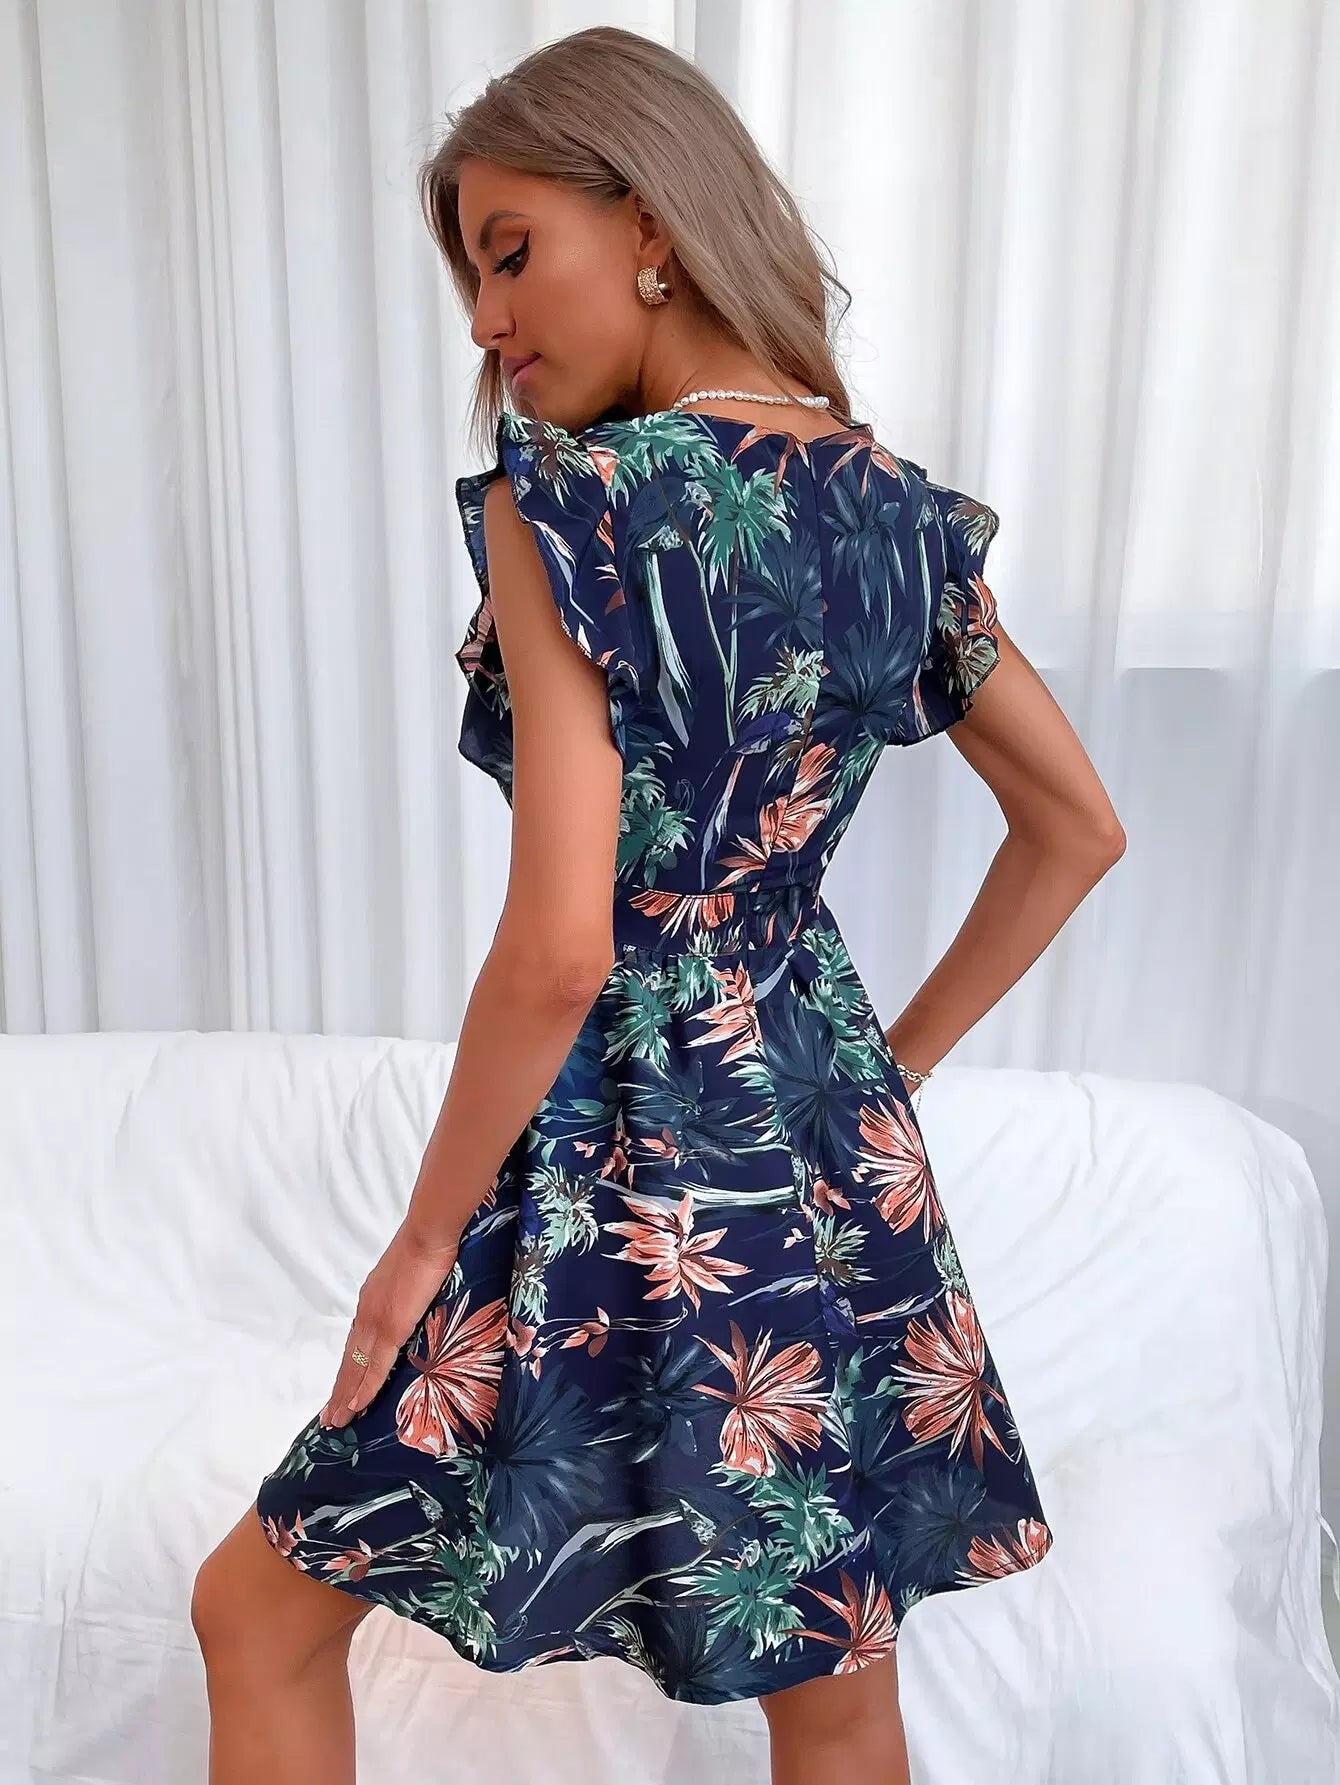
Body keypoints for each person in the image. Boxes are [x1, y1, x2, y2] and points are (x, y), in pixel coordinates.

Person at [192, 24, 1123, 1785]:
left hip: (611, 1147)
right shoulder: (898, 519)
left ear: (651, 224)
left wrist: (414, 1251)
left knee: (255, 1613)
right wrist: (891, 1069)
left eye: (509, 252)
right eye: (473, 280)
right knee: (834, 1695)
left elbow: (562, 950)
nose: (487, 321)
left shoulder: (577, 505)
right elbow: (1077, 828)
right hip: (822, 1153)